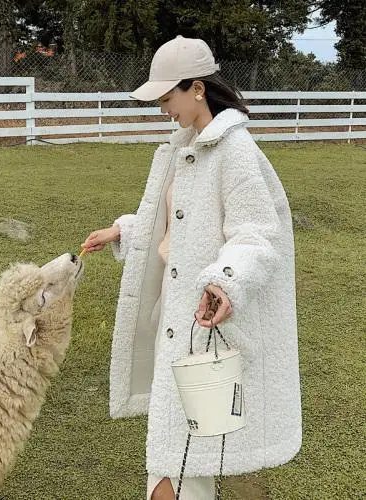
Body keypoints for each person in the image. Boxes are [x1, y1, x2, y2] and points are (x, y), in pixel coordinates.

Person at [81, 36, 302, 500]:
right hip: (175, 319)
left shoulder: (234, 151)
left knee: (173, 459)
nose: (164, 109)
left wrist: (226, 281)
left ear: (197, 89)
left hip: (200, 322)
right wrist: (120, 230)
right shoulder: (181, 148)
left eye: (167, 98)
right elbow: (169, 222)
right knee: (182, 458)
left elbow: (258, 233)